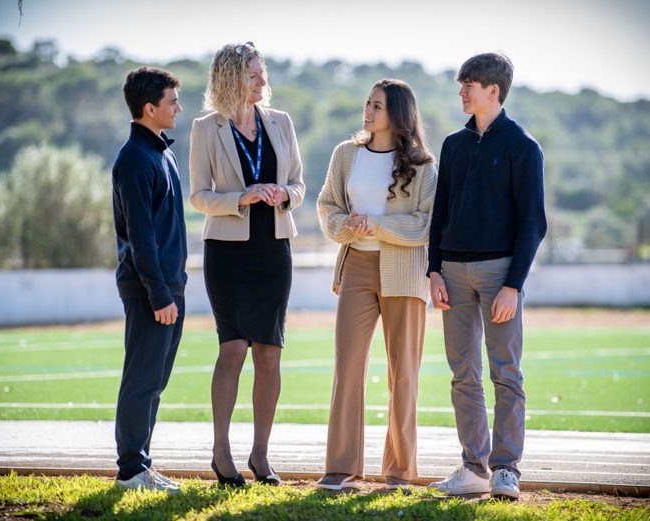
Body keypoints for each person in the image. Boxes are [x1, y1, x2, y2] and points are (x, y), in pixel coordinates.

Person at [427, 53, 547, 500]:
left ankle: (505, 470)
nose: (462, 90)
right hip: (452, 274)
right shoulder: (453, 145)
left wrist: (514, 285)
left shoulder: (522, 146)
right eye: (461, 84)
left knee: (506, 374)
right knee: (463, 375)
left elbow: (533, 222)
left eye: (469, 84)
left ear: (493, 90)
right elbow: (440, 213)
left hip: (500, 275)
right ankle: (473, 467)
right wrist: (433, 269)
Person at [189, 42, 305, 487]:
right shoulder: (206, 128)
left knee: (270, 352)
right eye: (253, 74)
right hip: (228, 253)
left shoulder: (281, 122)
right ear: (231, 78)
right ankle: (221, 452)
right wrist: (242, 196)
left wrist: (284, 195)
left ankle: (261, 455)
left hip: (274, 250)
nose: (262, 81)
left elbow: (297, 183)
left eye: (262, 73)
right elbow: (198, 195)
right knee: (233, 348)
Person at [316, 79, 437, 490]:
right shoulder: (345, 155)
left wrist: (379, 225)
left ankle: (400, 471)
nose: (368, 111)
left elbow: (424, 224)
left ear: (398, 114)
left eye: (378, 106)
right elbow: (327, 205)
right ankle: (341, 468)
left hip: (404, 273)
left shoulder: (423, 166)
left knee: (402, 374)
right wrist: (345, 227)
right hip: (356, 267)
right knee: (347, 367)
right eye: (367, 103)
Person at [112, 66, 187, 493]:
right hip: (150, 291)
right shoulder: (134, 160)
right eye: (173, 101)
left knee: (154, 382)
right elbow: (141, 240)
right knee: (142, 380)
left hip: (169, 286)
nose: (179, 108)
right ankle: (130, 471)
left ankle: (141, 463)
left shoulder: (162, 152)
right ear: (149, 108)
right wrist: (159, 295)